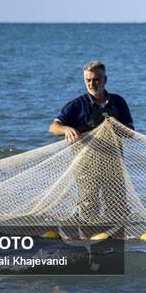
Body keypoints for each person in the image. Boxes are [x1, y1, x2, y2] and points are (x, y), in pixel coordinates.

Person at [49, 61, 134, 225]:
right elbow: (53, 127)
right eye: (88, 80)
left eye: (96, 79)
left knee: (118, 209)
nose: (92, 84)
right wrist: (66, 129)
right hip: (86, 166)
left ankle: (116, 244)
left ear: (105, 80)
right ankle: (89, 244)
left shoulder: (118, 102)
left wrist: (117, 126)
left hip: (114, 164)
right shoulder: (76, 105)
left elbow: (130, 131)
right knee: (89, 208)